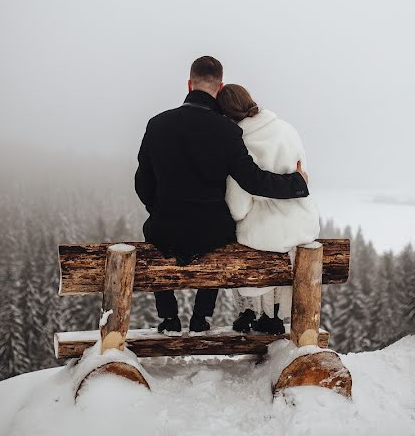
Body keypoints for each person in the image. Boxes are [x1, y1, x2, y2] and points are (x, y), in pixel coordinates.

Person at [134, 56, 310, 334]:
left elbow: (143, 182)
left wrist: (159, 209)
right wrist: (296, 184)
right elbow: (253, 180)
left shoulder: (157, 124)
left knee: (153, 233)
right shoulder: (228, 130)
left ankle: (169, 318)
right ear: (220, 85)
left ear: (189, 83)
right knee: (221, 233)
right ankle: (200, 318)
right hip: (212, 230)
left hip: (165, 226)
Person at [217, 84, 320, 335]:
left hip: (266, 231)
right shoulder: (286, 128)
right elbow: (302, 177)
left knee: (241, 236)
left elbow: (238, 206)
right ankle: (273, 313)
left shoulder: (239, 140)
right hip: (303, 223)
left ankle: (251, 310)